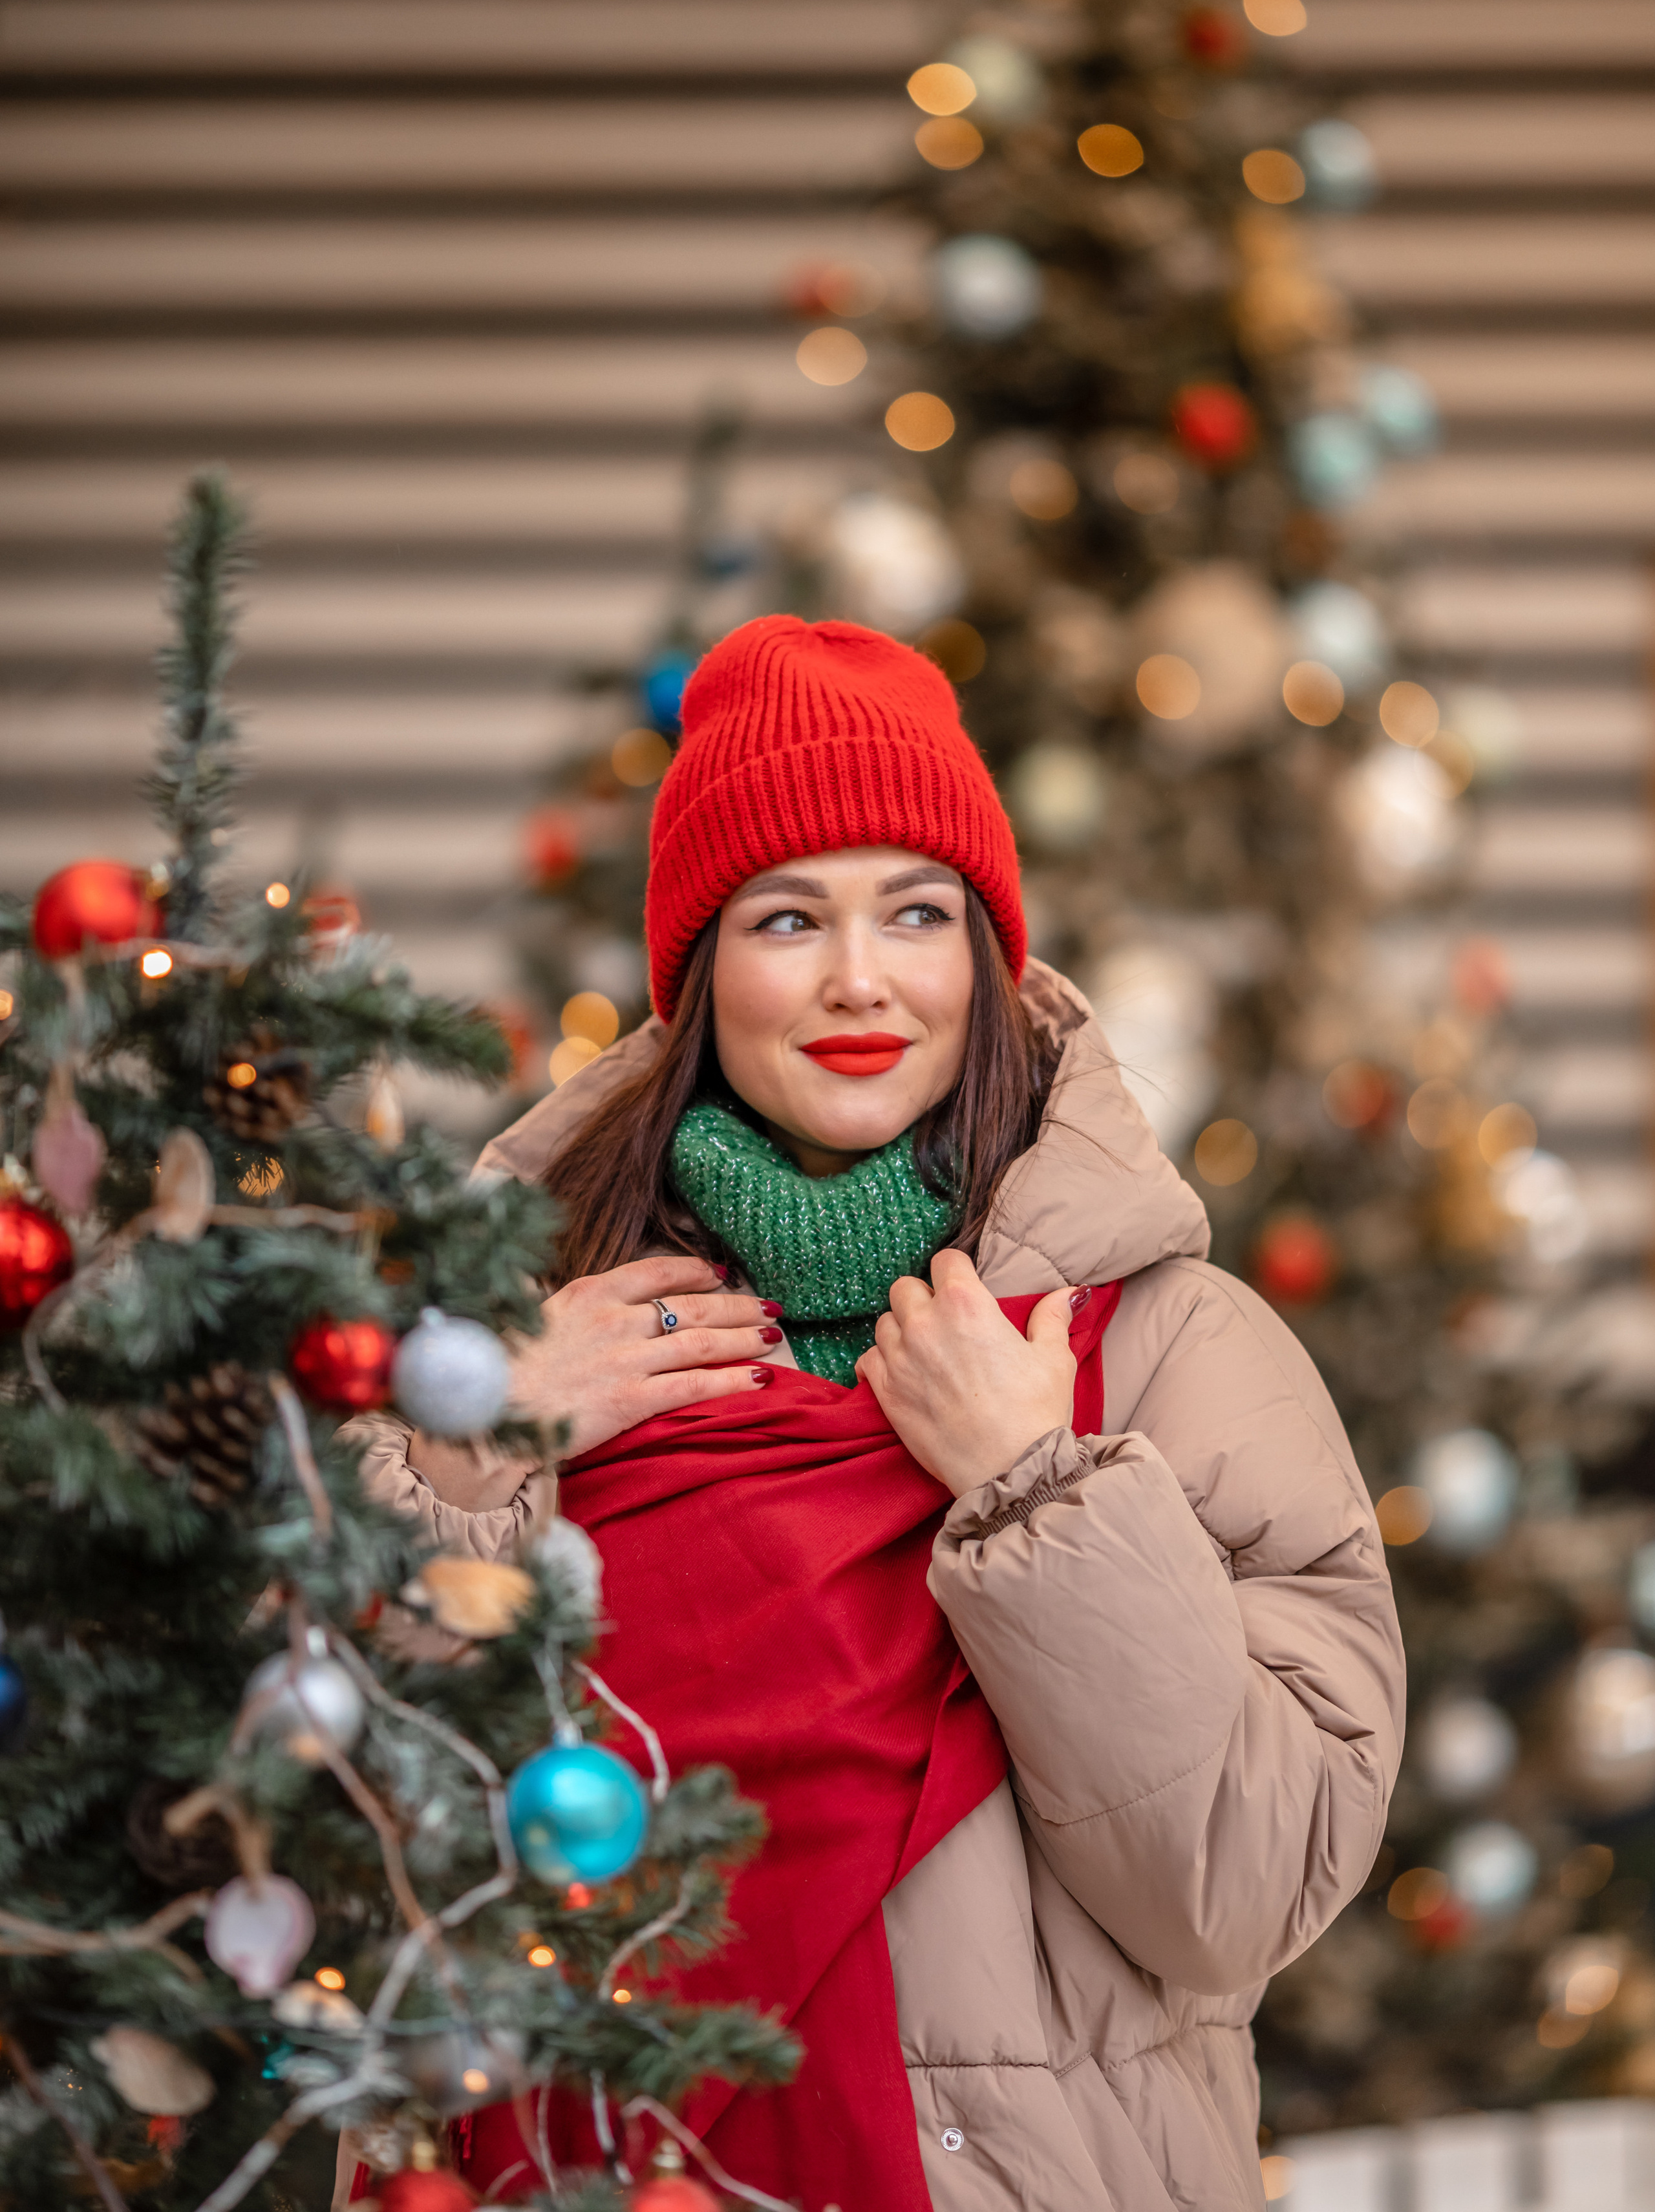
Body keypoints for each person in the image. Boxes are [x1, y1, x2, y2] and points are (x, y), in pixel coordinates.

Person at [347, 615, 1404, 2211]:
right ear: (702, 976)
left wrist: (1038, 1488)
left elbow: (1239, 1890)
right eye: (786, 917)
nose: (858, 980)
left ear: (981, 958)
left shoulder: (1176, 1349)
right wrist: (471, 1448)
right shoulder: (513, 1339)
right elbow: (324, 1840)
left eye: (915, 911)